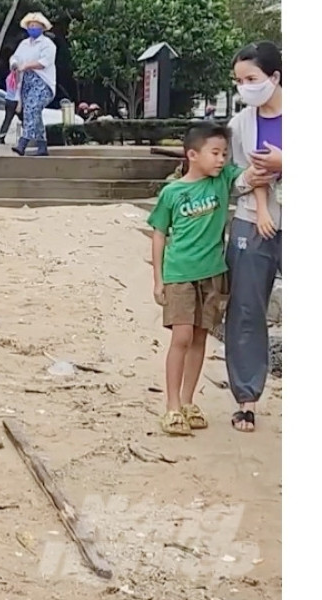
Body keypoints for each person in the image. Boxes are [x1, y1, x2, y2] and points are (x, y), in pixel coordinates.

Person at [148, 124, 260, 436]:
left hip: (213, 275)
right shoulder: (171, 193)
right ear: (192, 155)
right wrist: (158, 279)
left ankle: (187, 401)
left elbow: (250, 175)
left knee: (200, 338)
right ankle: (171, 406)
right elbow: (159, 233)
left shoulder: (223, 180)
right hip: (180, 275)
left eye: (224, 153)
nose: (222, 159)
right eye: (215, 153)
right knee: (181, 337)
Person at [225, 41, 283, 433]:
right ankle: (246, 398)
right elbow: (233, 177)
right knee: (246, 308)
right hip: (252, 220)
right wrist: (250, 180)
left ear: (275, 77)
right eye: (239, 81)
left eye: (252, 79)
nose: (245, 87)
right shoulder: (239, 124)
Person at [8, 12, 57, 157]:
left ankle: (23, 142)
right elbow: (15, 57)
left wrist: (27, 65)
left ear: (42, 28)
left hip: (42, 82)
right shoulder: (23, 44)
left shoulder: (48, 45)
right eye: (30, 26)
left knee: (32, 107)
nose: (33, 28)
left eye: (36, 26)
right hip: (26, 82)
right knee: (34, 111)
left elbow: (44, 63)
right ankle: (42, 146)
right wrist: (15, 64)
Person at [0, 70, 19, 144]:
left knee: (7, 119)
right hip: (16, 100)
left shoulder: (9, 77)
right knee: (25, 120)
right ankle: (28, 137)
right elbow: (18, 91)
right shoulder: (17, 78)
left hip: (8, 100)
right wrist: (19, 104)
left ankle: (1, 137)